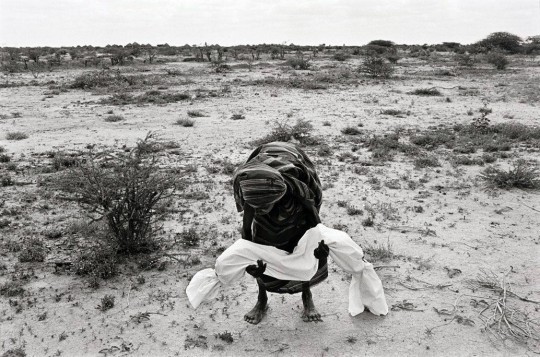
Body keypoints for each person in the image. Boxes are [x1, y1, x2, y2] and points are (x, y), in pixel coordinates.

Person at [233, 141, 329, 324]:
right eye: (255, 208)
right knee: (261, 250)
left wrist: (318, 247)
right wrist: (251, 259)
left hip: (297, 206)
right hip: (265, 181)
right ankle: (262, 300)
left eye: (265, 206)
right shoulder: (254, 194)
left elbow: (315, 228)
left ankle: (307, 296)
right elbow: (247, 235)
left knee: (301, 248)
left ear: (278, 198)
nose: (260, 210)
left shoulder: (298, 193)